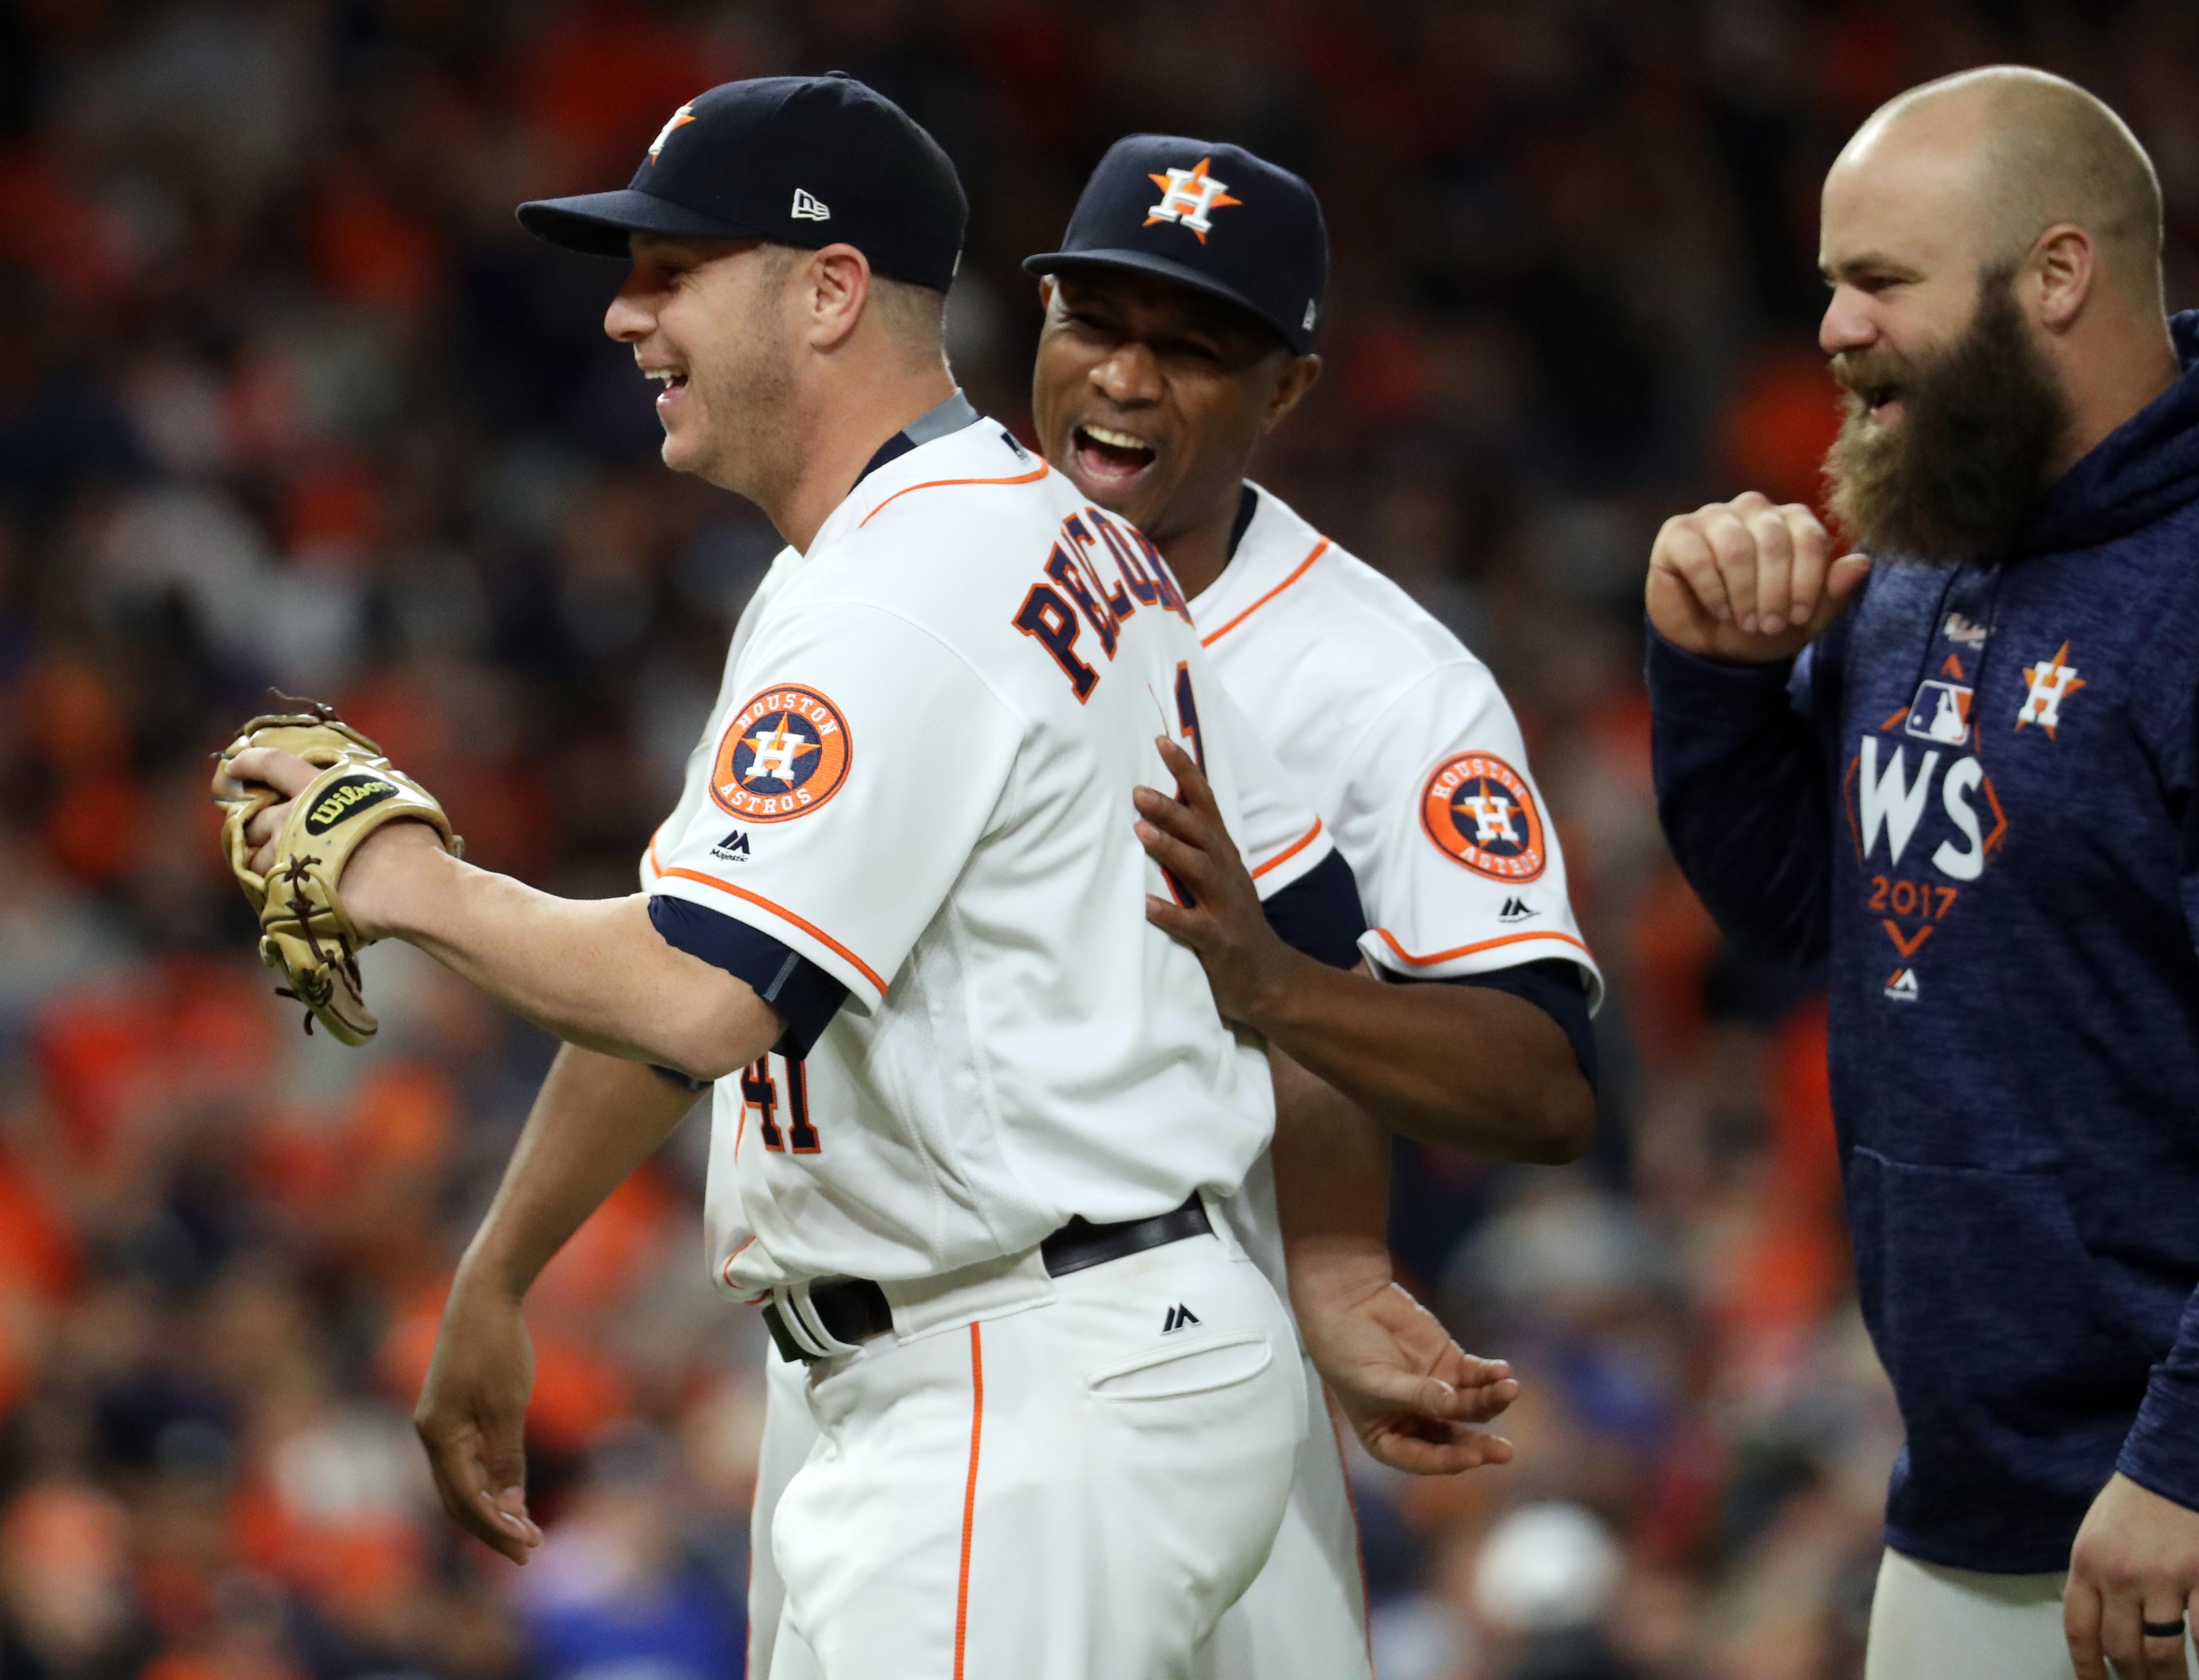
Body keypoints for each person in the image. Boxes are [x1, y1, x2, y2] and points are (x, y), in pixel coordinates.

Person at [220, 76, 1406, 1680]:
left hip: (1020, 1386)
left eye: (674, 271)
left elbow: (703, 1000)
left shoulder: (904, 587)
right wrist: (503, 1269)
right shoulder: (1048, 543)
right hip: (1096, 1357)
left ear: (831, 291)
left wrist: (403, 877)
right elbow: (1313, 927)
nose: (626, 315)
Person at [740, 136, 1605, 1680]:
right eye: (1097, 323)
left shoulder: (1381, 684)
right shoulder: (881, 565)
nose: (1127, 380)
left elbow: (1541, 1085)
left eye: (1194, 349)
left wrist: (1285, 1004)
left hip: (1177, 1369)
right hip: (844, 1372)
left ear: (1289, 391)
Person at [1642, 65, 2199, 1680]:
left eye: (1881, 280)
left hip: (2165, 1514)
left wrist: (2181, 1462)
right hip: (1964, 1506)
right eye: (1832, 281)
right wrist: (1718, 679)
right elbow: (1806, 914)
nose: (1833, 327)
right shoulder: (1931, 540)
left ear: (2057, 275)